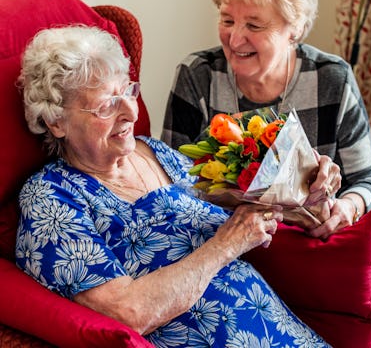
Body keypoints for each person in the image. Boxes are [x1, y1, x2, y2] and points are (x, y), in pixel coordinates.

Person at [15, 25, 330, 347]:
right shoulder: (51, 198)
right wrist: (225, 247)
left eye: (128, 91)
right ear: (56, 121)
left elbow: (225, 202)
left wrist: (302, 192)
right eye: (106, 105)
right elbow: (126, 313)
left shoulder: (155, 151)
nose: (130, 112)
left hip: (277, 330)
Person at [161, 0, 371, 239]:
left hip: (302, 242)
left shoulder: (332, 79)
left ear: (295, 28)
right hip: (216, 236)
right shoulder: (197, 76)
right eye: (227, 20)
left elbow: (369, 179)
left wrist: (349, 207)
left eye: (254, 25)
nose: (234, 40)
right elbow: (168, 179)